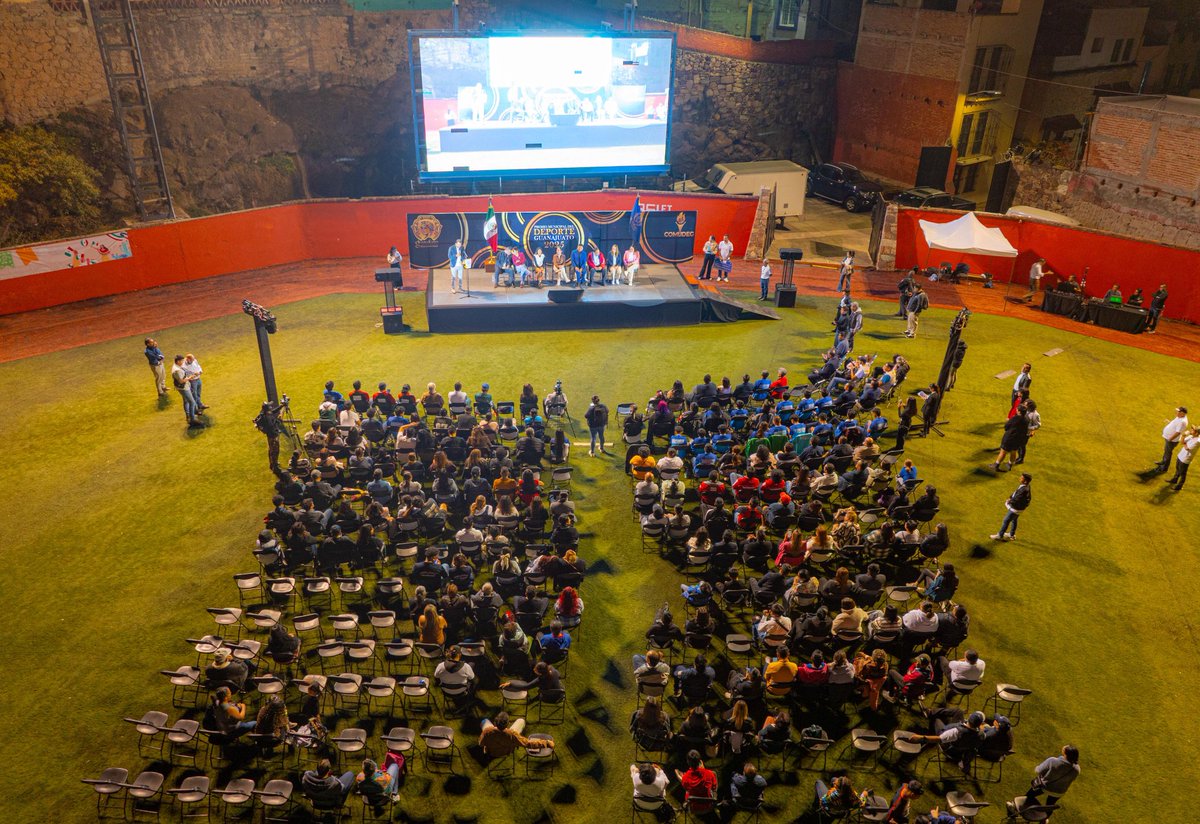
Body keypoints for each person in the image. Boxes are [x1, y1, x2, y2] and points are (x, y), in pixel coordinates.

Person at [478, 711, 554, 758]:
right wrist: (546, 743)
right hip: (507, 751)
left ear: (495, 722)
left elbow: (481, 744)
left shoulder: (487, 732)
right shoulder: (512, 734)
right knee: (521, 721)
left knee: (484, 721)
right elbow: (528, 743)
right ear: (507, 723)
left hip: (492, 752)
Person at [991, 472, 1032, 541]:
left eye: (1021, 478)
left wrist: (1009, 501)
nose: (1019, 478)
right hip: (1020, 508)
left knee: (1006, 520)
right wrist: (1010, 497)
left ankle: (1000, 535)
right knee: (1014, 520)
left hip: (1016, 508)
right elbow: (1016, 493)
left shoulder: (1023, 490)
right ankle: (1011, 535)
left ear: (1025, 481)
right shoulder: (1026, 486)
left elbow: (1017, 498)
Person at [1155, 406, 1190, 473]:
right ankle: (1163, 462)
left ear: (1183, 413)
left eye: (1179, 411)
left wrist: (1170, 439)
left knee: (1168, 453)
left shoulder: (1182, 421)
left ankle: (1164, 468)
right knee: (1166, 451)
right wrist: (1169, 422)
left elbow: (1178, 432)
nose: (1177, 412)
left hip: (1171, 440)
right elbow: (1176, 425)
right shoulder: (1180, 417)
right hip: (1169, 438)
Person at [1166, 425, 1200, 491]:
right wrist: (1183, 437)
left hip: (1186, 459)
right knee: (1177, 468)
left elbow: (1187, 448)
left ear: (1197, 433)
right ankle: (1174, 479)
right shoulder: (1191, 436)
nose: (1191, 430)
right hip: (1181, 455)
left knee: (1182, 473)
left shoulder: (1197, 442)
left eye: (1193, 430)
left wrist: (1183, 437)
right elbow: (1182, 442)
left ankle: (1179, 486)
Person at [171, 354, 202, 426]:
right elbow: (181, 381)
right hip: (183, 387)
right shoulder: (177, 370)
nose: (183, 361)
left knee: (187, 400)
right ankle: (192, 419)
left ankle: (190, 415)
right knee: (192, 402)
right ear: (178, 361)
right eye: (182, 360)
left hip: (183, 386)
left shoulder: (176, 366)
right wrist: (190, 377)